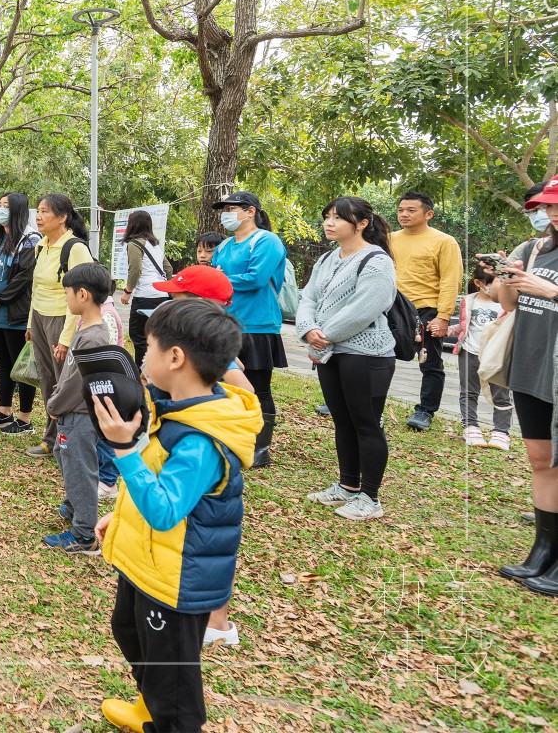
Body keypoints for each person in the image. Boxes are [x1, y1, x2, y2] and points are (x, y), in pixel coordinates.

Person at [94, 299, 262, 733]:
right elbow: (154, 477)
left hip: (176, 579)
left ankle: (169, 720)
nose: (142, 356)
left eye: (148, 347)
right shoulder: (173, 407)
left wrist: (123, 449)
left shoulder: (201, 440)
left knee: (171, 676)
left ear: (174, 357)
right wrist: (122, 517)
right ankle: (149, 706)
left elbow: (166, 510)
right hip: (149, 562)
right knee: (129, 630)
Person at [146, 264, 256, 649]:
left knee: (208, 544)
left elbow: (245, 395)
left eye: (176, 297)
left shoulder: (213, 358)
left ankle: (218, 623)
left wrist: (215, 425)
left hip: (203, 455)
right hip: (185, 450)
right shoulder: (196, 348)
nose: (168, 301)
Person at [296, 197, 399, 522]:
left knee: (366, 423)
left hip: (366, 355)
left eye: (338, 218)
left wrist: (323, 334)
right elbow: (308, 297)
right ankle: (347, 485)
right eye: (327, 216)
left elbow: (366, 307)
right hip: (331, 353)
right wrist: (308, 328)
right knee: (342, 421)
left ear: (362, 223)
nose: (330, 223)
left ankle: (370, 497)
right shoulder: (327, 258)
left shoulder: (377, 261)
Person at [492, 177, 558, 596]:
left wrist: (551, 290)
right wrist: (509, 280)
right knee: (540, 459)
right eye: (548, 206)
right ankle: (543, 550)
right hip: (532, 363)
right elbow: (509, 305)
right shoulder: (536, 249)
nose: (552, 214)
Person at [40, 262, 115, 555]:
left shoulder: (93, 336)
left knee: (80, 469)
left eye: (67, 293)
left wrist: (55, 404)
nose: (66, 298)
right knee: (65, 456)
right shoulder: (87, 329)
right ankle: (75, 505)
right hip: (73, 411)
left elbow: (76, 383)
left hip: (79, 414)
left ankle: (84, 534)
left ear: (82, 295)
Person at [210, 190, 287, 468]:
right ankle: (231, 439)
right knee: (222, 384)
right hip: (225, 323)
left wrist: (219, 279)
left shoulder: (266, 241)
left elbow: (256, 279)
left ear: (250, 211)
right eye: (224, 210)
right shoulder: (224, 245)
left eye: (231, 209)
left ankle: (260, 448)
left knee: (258, 387)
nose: (226, 214)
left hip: (257, 324)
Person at [391, 192, 464, 431]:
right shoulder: (389, 239)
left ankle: (425, 411)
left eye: (411, 210)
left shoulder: (444, 241)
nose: (404, 214)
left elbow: (451, 280)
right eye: (401, 210)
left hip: (426, 310)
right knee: (370, 356)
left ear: (428, 214)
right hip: (391, 307)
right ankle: (356, 402)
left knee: (430, 363)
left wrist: (443, 316)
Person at [28, 194, 95, 453]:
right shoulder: (40, 245)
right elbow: (36, 287)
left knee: (64, 383)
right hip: (39, 317)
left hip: (62, 318)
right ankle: (51, 437)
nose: (39, 216)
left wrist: (66, 339)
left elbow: (81, 296)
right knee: (47, 380)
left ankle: (66, 439)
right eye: (38, 211)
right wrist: (30, 323)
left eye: (45, 211)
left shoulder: (75, 248)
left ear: (62, 217)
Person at [0, 193, 40, 433]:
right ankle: (5, 412)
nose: (0, 209)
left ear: (18, 211)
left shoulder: (30, 240)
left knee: (20, 367)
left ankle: (25, 419)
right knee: (3, 363)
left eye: (6, 206)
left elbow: (24, 277)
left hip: (15, 312)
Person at [453, 263, 514, 450]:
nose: (500, 285)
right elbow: (464, 325)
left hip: (496, 355)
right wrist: (447, 330)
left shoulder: (506, 304)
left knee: (501, 394)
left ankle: (501, 432)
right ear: (479, 283)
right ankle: (470, 427)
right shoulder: (468, 301)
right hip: (469, 351)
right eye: (496, 282)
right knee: (468, 392)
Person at [118, 210, 173, 371]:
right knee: (158, 336)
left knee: (139, 336)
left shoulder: (134, 244)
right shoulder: (155, 245)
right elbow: (168, 269)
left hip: (145, 296)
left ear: (132, 225)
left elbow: (135, 270)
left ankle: (144, 373)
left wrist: (127, 292)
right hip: (162, 296)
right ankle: (160, 371)